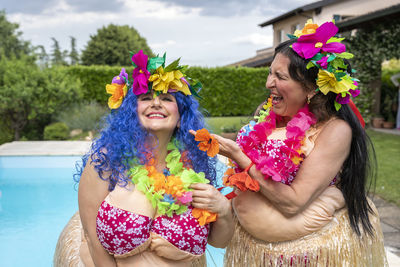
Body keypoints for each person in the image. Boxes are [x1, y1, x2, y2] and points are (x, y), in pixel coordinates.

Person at [213, 20, 388, 266]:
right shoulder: (268, 113)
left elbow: (293, 202)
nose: (268, 83)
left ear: (311, 89)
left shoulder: (334, 130)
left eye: (279, 76)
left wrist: (239, 157)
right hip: (256, 246)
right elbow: (249, 147)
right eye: (270, 72)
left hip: (300, 253)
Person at [53, 50, 233, 267]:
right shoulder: (108, 160)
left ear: (180, 118)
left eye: (166, 98)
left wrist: (222, 209)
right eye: (146, 98)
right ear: (133, 112)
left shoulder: (192, 163)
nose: (156, 103)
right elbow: (92, 239)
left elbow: (219, 241)